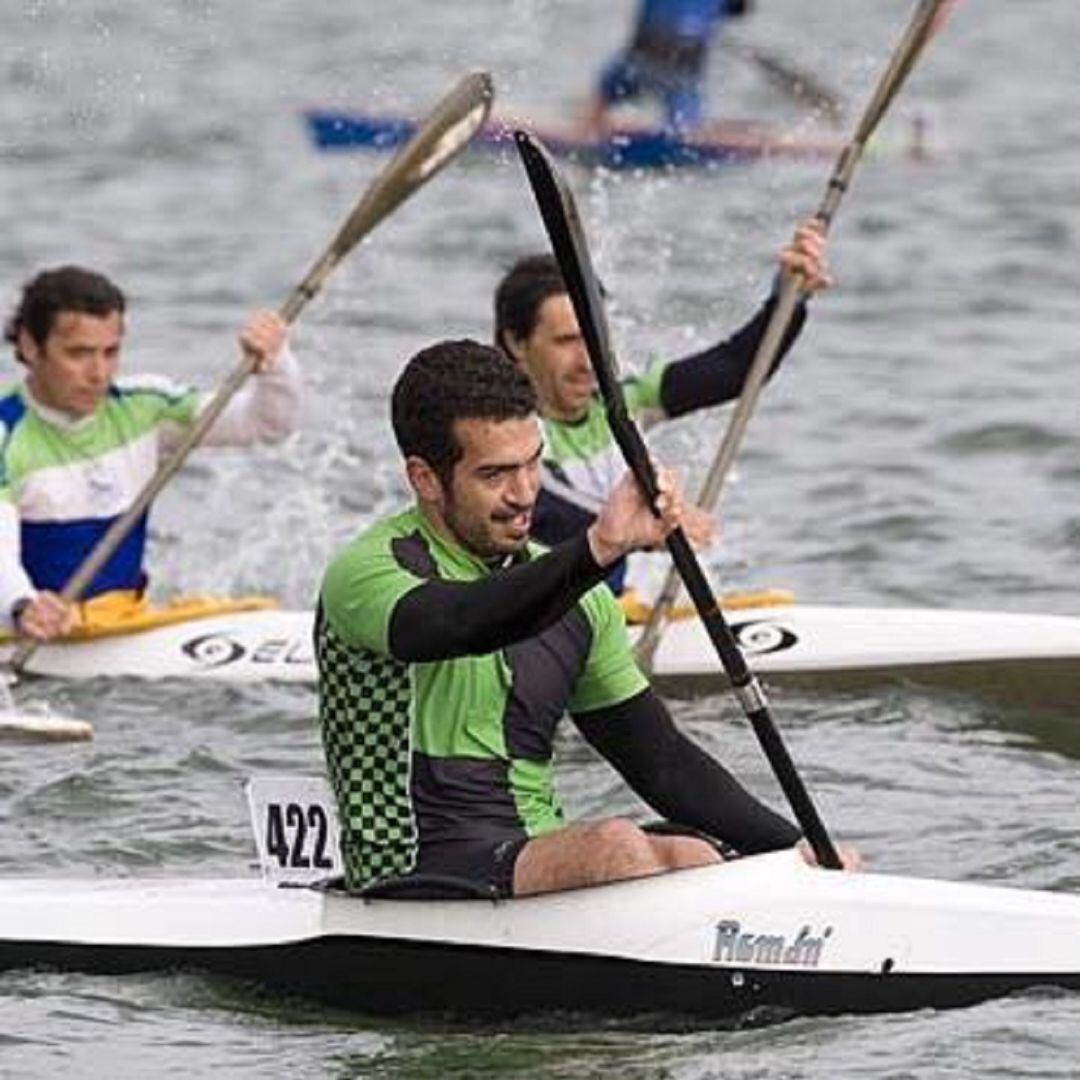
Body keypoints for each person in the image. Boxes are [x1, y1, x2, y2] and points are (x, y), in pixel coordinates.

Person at [317, 339, 858, 898]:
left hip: (525, 855)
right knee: (617, 848)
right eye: (495, 474)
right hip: (408, 865)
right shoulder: (368, 574)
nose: (524, 493)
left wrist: (800, 851)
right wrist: (599, 547)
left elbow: (662, 763)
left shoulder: (581, 598)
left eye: (533, 464)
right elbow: (460, 623)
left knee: (699, 855)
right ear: (425, 478)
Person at [493, 220, 830, 605]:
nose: (588, 361)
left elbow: (736, 367)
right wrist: (657, 519)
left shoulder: (623, 402)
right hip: (547, 615)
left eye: (595, 338)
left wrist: (788, 298)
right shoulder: (506, 435)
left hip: (619, 606)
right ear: (517, 343)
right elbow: (548, 515)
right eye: (567, 341)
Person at [0, 265, 300, 640]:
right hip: (29, 627)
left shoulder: (144, 407)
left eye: (110, 352)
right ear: (30, 346)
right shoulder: (5, 435)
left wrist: (276, 365)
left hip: (123, 618)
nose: (98, 373)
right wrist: (21, 606)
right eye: (78, 354)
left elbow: (265, 426)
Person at [585, 0, 754, 135]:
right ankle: (685, 135)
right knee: (685, 130)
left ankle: (591, 126)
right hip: (677, 74)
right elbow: (739, 9)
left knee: (606, 87)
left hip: (641, 63)